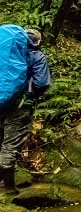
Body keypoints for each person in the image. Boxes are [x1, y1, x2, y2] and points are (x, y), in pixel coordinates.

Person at [0, 29, 51, 195]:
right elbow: (42, 83)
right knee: (10, 145)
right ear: (38, 41)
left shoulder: (6, 52)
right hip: (20, 106)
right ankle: (9, 189)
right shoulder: (36, 56)